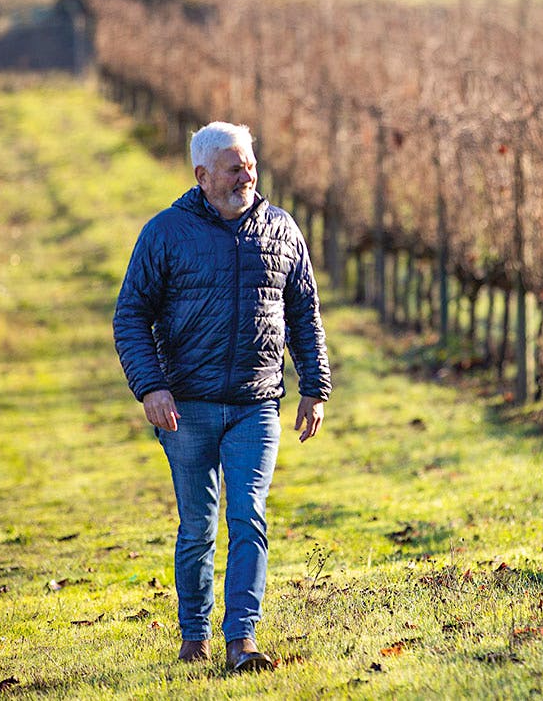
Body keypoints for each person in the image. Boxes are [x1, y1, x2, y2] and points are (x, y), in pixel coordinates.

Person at [113, 121, 330, 673]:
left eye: (250, 163)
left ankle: (242, 639)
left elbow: (304, 313)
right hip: (185, 408)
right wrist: (151, 387)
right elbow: (131, 315)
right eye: (234, 167)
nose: (246, 175)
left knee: (250, 515)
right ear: (202, 175)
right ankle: (194, 633)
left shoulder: (282, 230)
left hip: (257, 404)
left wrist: (314, 388)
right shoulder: (164, 233)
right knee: (198, 527)